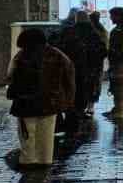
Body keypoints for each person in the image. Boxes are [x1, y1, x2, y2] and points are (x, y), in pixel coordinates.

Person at [7, 27, 75, 167]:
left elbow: (10, 76)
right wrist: (68, 100)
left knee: (27, 134)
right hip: (50, 101)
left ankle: (28, 160)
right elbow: (69, 78)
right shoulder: (58, 55)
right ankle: (45, 160)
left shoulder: (21, 56)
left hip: (25, 101)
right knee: (46, 133)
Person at [57, 12, 106, 133]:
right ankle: (79, 113)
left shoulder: (68, 31)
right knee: (83, 91)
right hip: (87, 70)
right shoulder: (94, 32)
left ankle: (71, 115)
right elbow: (101, 51)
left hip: (70, 68)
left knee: (71, 91)